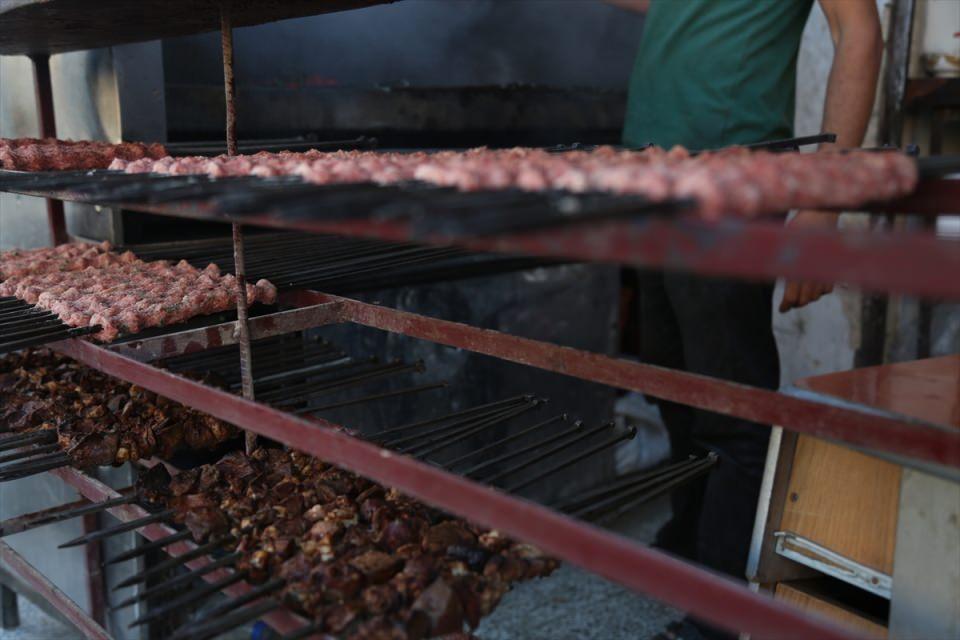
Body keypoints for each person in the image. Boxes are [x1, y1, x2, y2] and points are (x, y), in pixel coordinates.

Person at [604, 1, 882, 637]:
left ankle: (723, 609)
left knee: (732, 405)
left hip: (731, 175)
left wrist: (823, 202)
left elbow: (859, 30)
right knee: (673, 385)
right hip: (652, 172)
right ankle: (690, 549)